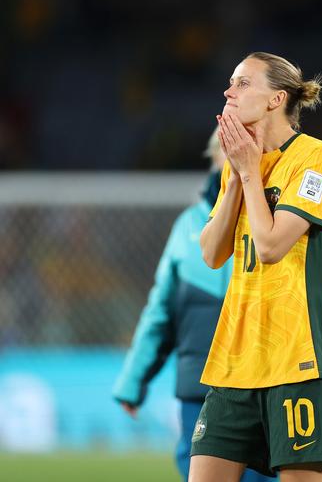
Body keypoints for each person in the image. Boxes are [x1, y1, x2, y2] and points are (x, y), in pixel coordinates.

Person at [190, 52, 322, 482]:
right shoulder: (243, 164)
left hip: (300, 359)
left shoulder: (317, 159)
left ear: (276, 99)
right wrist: (236, 174)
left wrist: (249, 173)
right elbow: (212, 253)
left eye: (243, 83)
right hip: (236, 358)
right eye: (230, 84)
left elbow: (270, 246)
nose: (229, 92)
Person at [112, 127, 274, 482]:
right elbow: (161, 310)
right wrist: (133, 379)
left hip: (266, 381)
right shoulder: (188, 226)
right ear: (215, 158)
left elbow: (321, 294)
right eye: (226, 149)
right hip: (199, 386)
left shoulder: (283, 217)